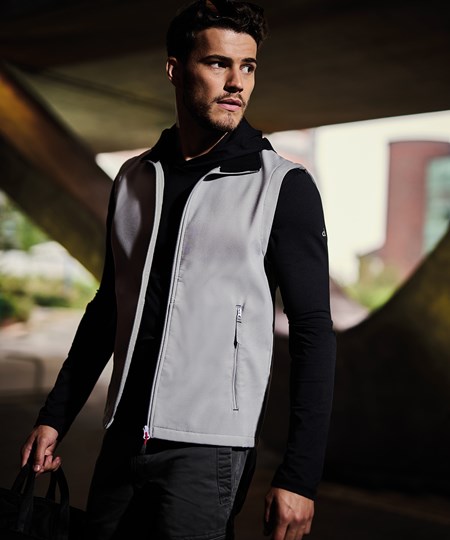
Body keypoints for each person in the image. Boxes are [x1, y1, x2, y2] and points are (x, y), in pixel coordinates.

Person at [21, 1, 336, 539]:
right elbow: (109, 306)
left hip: (208, 449)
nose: (236, 82)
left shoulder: (282, 186)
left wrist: (300, 476)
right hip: (122, 437)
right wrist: (56, 415)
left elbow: (313, 332)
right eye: (218, 63)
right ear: (175, 68)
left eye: (248, 67)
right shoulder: (134, 178)